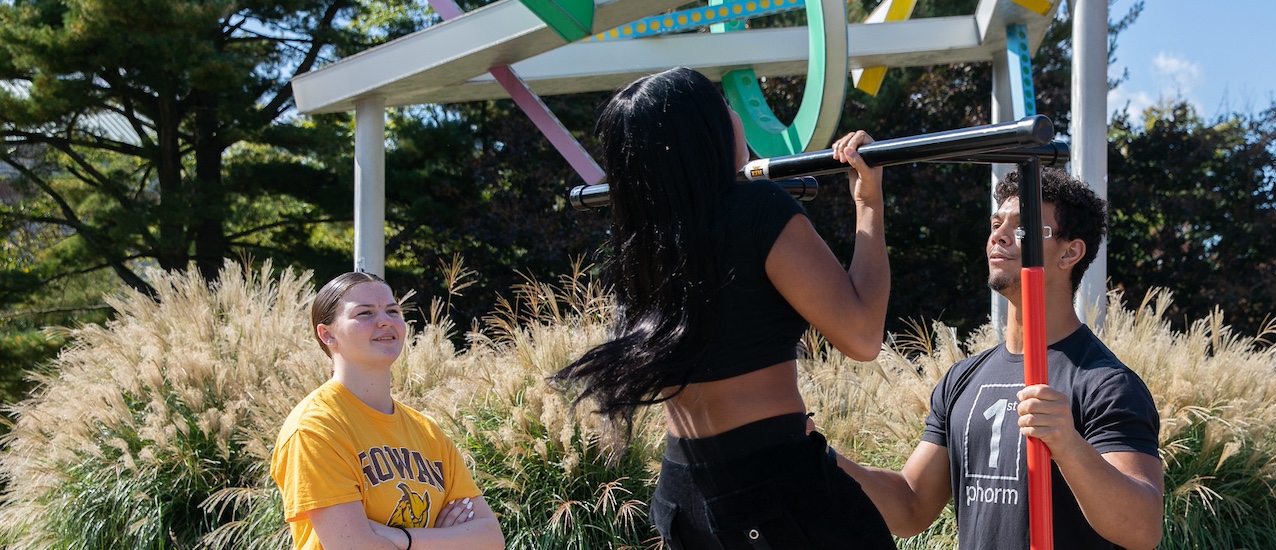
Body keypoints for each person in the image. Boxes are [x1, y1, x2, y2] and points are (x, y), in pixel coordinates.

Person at [551, 67, 895, 549]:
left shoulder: (642, 238)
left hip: (683, 494)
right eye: (726, 108)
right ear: (703, 135)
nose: (737, 117)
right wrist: (870, 205)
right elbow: (862, 335)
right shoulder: (757, 210)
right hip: (773, 487)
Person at [838, 168, 1163, 549]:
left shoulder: (1105, 384)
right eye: (997, 223)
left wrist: (1069, 445)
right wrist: (816, 454)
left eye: (1022, 228)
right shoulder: (963, 378)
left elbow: (1142, 529)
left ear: (1070, 251)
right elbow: (910, 506)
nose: (999, 235)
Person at [271, 272, 505, 550]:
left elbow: (491, 539)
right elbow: (356, 547)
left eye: (393, 311)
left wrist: (401, 539)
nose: (385, 321)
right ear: (327, 334)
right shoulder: (315, 428)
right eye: (365, 313)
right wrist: (444, 541)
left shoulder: (428, 431)